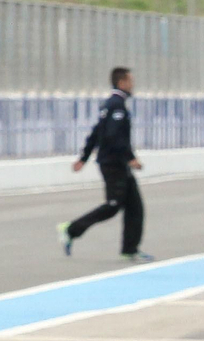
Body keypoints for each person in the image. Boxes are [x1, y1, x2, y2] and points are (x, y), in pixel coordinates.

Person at [59, 66, 152, 262]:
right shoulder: (116, 105)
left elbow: (96, 132)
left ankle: (130, 249)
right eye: (130, 81)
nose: (133, 84)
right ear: (122, 82)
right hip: (113, 164)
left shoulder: (110, 104)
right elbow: (113, 136)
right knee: (112, 206)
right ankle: (71, 229)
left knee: (135, 207)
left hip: (118, 163)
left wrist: (83, 158)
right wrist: (130, 157)